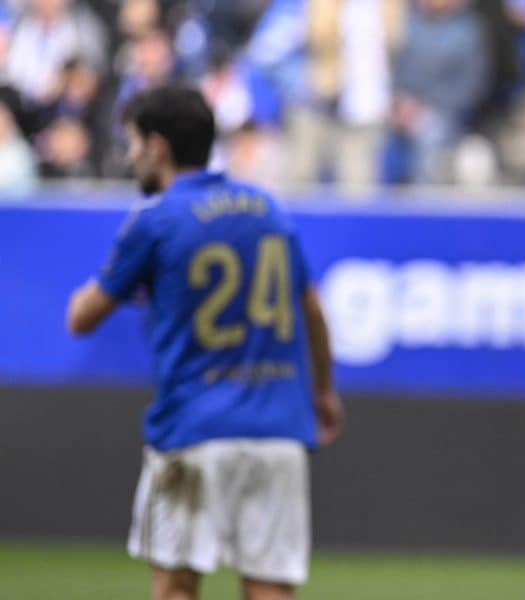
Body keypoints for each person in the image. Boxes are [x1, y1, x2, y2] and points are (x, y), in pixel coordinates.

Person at [64, 85, 343, 600]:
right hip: (279, 429)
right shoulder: (269, 209)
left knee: (175, 587)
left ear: (158, 147)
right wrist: (324, 393)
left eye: (132, 143)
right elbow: (314, 312)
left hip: (194, 430)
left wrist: (125, 276)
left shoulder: (154, 219)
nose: (130, 156)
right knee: (271, 589)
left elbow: (81, 318)